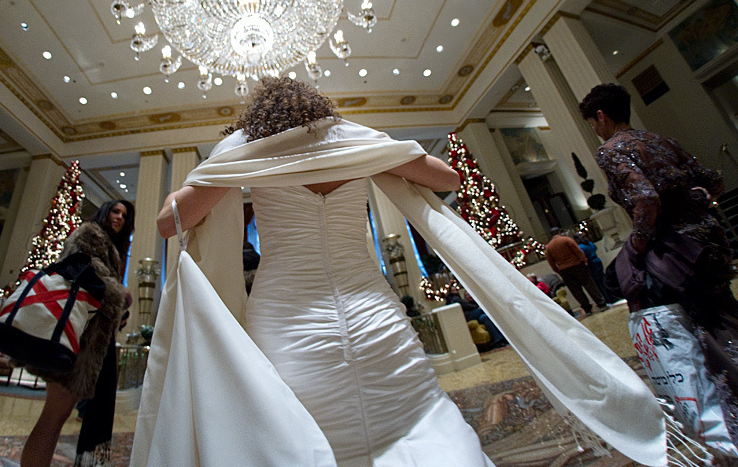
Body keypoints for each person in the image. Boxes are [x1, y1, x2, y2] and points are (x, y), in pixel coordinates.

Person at [132, 77, 667, 467]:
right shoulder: (351, 137)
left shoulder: (246, 148)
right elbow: (446, 177)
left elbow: (166, 223)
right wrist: (379, 158)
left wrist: (228, 174)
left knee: (307, 434)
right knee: (415, 421)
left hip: (287, 322)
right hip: (373, 313)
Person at [580, 83, 738, 435]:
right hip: (710, 240)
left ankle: (727, 418)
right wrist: (696, 198)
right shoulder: (661, 140)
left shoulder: (611, 150)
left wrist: (638, 245)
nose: (596, 129)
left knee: (704, 329)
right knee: (724, 315)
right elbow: (713, 181)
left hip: (677, 252)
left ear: (601, 116)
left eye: (592, 123)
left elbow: (646, 197)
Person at [20, 200, 133, 467]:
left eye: (124, 215)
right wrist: (121, 294)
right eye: (115, 211)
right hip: (73, 338)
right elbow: (81, 272)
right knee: (53, 417)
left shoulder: (110, 247)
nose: (119, 217)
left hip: (86, 341)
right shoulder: (90, 234)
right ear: (105, 211)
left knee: (57, 417)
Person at [544, 228, 608, 316]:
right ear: (559, 232)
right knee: (590, 285)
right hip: (577, 265)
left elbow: (551, 262)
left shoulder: (549, 247)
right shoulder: (566, 240)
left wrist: (559, 271)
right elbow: (577, 250)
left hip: (564, 270)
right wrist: (584, 260)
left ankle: (587, 309)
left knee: (576, 291)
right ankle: (601, 304)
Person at [445, 283, 507, 349]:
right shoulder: (459, 300)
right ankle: (498, 340)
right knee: (485, 311)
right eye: (467, 295)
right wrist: (478, 308)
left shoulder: (476, 301)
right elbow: (467, 308)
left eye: (455, 290)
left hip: (480, 317)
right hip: (473, 319)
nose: (455, 292)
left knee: (485, 316)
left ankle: (502, 338)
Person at [574, 233, 615, 305]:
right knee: (603, 279)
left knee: (598, 283)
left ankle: (606, 299)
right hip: (597, 261)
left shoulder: (580, 247)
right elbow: (595, 248)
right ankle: (612, 297)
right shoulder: (590, 243)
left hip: (591, 264)